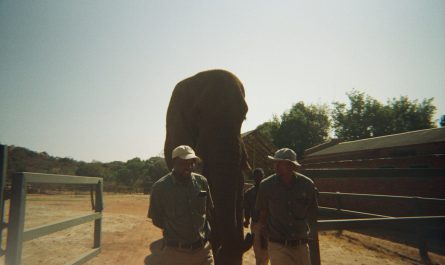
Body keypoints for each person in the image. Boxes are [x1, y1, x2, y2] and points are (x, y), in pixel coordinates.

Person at [148, 145, 214, 265]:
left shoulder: (202, 182)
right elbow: (156, 219)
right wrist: (177, 231)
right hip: (175, 254)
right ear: (174, 162)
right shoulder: (160, 187)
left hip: (203, 251)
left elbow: (208, 211)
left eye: (192, 162)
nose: (189, 167)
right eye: (184, 163)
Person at [255, 148, 318, 265]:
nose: (276, 165)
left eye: (280, 162)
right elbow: (263, 214)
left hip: (301, 245)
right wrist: (262, 237)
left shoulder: (307, 185)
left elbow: (312, 211)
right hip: (278, 245)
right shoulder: (266, 186)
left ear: (291, 165)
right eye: (275, 162)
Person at [244, 168, 270, 265]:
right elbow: (246, 209)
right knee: (259, 250)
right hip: (256, 224)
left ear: (263, 177)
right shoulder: (249, 193)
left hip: (269, 223)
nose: (258, 178)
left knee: (268, 250)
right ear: (254, 178)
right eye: (257, 176)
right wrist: (246, 220)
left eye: (260, 176)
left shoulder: (268, 191)